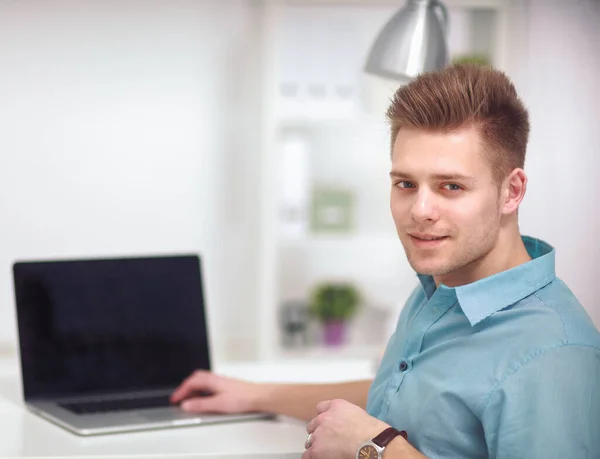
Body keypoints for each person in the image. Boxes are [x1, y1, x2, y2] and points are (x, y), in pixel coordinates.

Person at [170, 64, 600, 458]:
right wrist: (255, 396)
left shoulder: (553, 356)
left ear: (512, 191)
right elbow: (403, 397)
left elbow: (377, 432)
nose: (420, 210)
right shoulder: (443, 286)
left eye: (451, 186)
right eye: (406, 183)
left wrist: (373, 447)